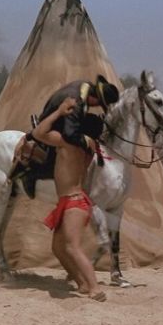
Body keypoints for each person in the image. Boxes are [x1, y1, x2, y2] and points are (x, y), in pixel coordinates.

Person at [33, 97, 107, 302]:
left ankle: (95, 288)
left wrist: (59, 112)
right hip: (70, 201)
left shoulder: (68, 143)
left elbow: (39, 133)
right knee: (58, 248)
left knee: (72, 247)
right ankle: (82, 283)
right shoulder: (89, 144)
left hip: (74, 202)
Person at [18, 75, 119, 197]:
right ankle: (31, 175)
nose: (97, 106)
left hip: (66, 118)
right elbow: (69, 133)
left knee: (96, 123)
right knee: (61, 164)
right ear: (96, 98)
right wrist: (86, 141)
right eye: (99, 104)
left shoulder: (85, 86)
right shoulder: (76, 102)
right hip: (53, 124)